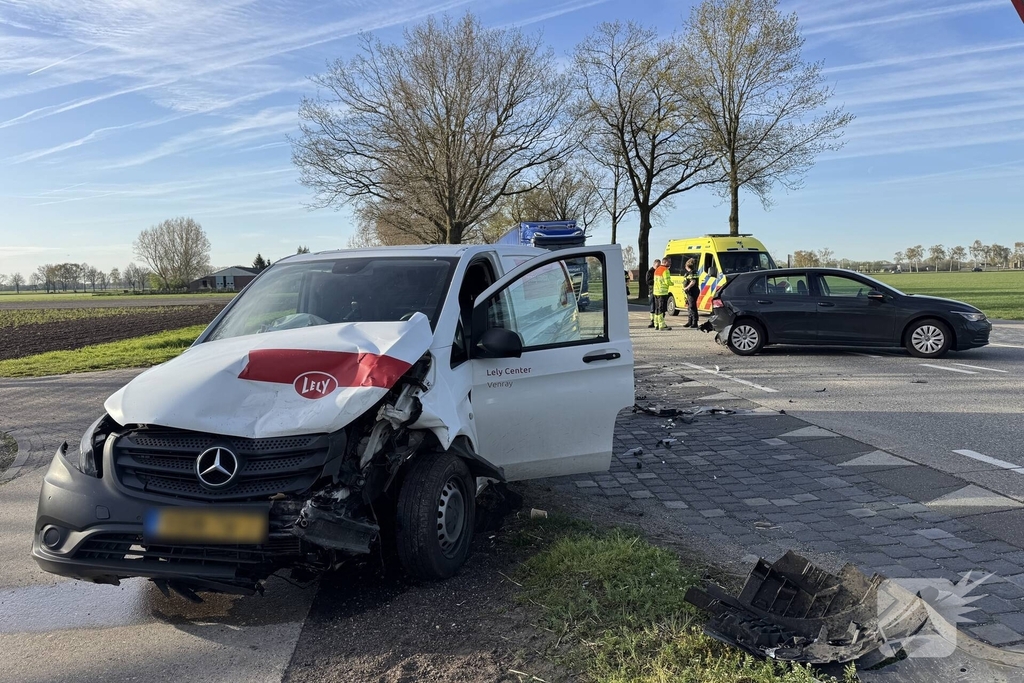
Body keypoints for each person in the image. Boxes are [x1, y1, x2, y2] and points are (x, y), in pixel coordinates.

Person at [653, 258, 673, 330]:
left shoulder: (657, 269)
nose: (670, 263)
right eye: (669, 262)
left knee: (657, 308)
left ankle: (656, 324)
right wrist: (672, 283)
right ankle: (662, 325)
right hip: (662, 292)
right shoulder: (666, 270)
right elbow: (667, 281)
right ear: (665, 262)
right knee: (661, 309)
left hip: (656, 292)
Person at [682, 258, 700, 328]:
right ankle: (690, 321)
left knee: (692, 306)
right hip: (689, 292)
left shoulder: (693, 272)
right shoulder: (688, 273)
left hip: (693, 291)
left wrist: (686, 287)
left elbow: (693, 282)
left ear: (687, 266)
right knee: (689, 306)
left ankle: (695, 322)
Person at [646, 259, 660, 328]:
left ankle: (657, 321)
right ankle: (652, 321)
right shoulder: (650, 272)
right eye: (657, 266)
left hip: (659, 291)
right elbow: (648, 281)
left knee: (658, 306)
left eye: (659, 266)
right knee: (653, 306)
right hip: (652, 291)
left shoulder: (659, 271)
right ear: (654, 265)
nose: (658, 267)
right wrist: (655, 280)